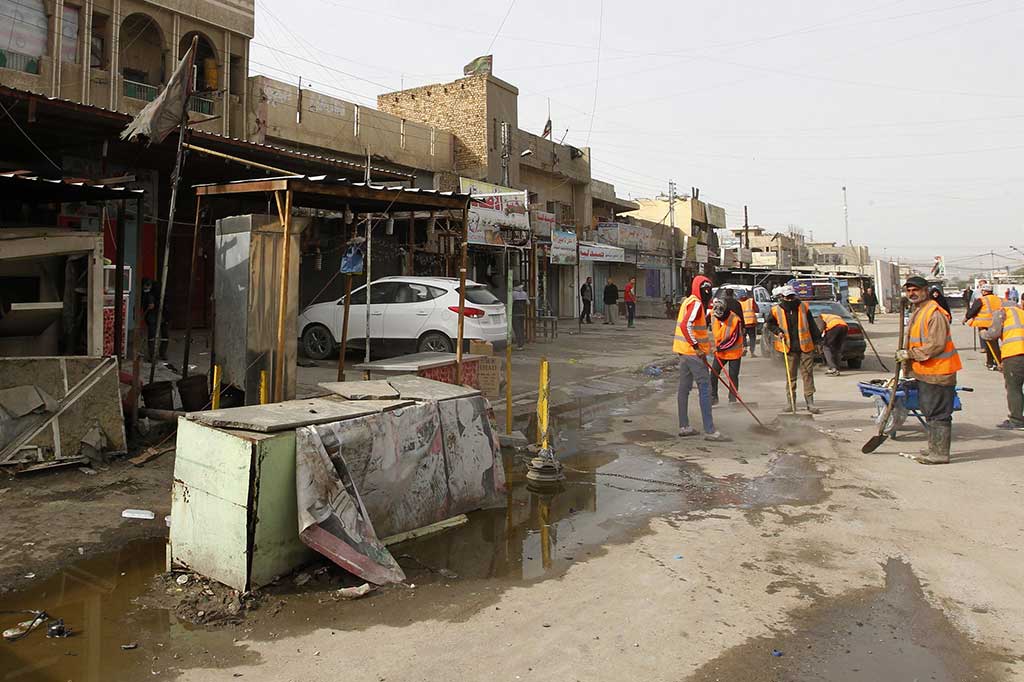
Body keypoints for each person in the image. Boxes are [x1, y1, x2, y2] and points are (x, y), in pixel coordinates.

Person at [896, 276, 962, 464]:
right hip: (926, 372)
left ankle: (939, 454)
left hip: (939, 372)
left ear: (926, 291)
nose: (912, 293)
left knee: (938, 413)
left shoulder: (934, 313)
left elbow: (936, 345)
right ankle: (934, 447)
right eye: (909, 290)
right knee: (930, 411)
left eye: (916, 290)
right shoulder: (919, 311)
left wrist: (910, 354)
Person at [674, 275, 729, 441]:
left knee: (684, 389)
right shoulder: (696, 303)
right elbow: (686, 325)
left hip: (683, 351)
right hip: (693, 353)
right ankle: (710, 431)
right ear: (698, 289)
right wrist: (697, 347)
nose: (707, 293)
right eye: (704, 289)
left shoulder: (688, 301)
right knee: (705, 388)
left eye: (708, 290)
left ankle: (684, 426)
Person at [766, 286, 823, 413]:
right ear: (782, 297)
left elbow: (812, 326)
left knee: (807, 375)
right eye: (788, 297)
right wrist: (778, 331)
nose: (790, 300)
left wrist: (818, 341)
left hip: (805, 347)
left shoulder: (803, 307)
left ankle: (810, 403)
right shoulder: (776, 310)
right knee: (791, 376)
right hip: (789, 348)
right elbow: (770, 324)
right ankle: (791, 402)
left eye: (792, 297)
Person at [980, 302, 1024, 430]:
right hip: (1017, 353)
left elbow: (993, 334)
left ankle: (1016, 420)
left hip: (1014, 354)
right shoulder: (1022, 313)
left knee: (1014, 388)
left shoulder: (1002, 312)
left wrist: (983, 333)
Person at [710, 298, 743, 405]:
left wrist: (719, 348)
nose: (718, 318)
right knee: (713, 374)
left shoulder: (735, 320)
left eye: (720, 316)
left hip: (734, 353)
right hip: (720, 353)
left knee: (733, 376)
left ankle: (732, 399)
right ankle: (713, 397)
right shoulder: (713, 315)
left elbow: (733, 339)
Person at [965, 282, 1003, 370]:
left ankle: (996, 362)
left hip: (985, 324)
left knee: (991, 344)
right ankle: (990, 362)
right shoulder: (999, 299)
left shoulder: (981, 300)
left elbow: (972, 311)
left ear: (985, 291)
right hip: (998, 324)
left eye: (982, 290)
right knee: (993, 343)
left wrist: (966, 318)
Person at [141, 278, 168, 362]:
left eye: (147, 286)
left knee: (164, 335)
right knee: (152, 335)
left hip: (162, 313)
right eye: (145, 287)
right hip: (151, 315)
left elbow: (163, 302)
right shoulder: (145, 293)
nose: (146, 288)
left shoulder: (158, 291)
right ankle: (152, 355)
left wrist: (155, 304)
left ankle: (162, 353)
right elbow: (142, 302)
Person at [819, 311, 848, 376]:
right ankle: (837, 367)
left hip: (834, 327)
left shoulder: (821, 317)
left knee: (826, 347)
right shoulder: (834, 316)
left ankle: (832, 368)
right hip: (844, 327)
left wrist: (819, 339)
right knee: (837, 348)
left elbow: (820, 329)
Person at [738, 289, 758, 356]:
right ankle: (752, 352)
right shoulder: (751, 301)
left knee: (743, 337)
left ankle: (744, 348)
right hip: (751, 323)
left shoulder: (738, 303)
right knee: (752, 338)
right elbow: (757, 309)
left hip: (743, 324)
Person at [511, 283, 529, 349]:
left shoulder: (513, 293)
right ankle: (521, 343)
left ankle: (519, 344)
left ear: (515, 287)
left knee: (517, 329)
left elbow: (511, 303)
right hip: (522, 313)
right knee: (521, 328)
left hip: (515, 313)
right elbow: (528, 303)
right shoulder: (524, 293)